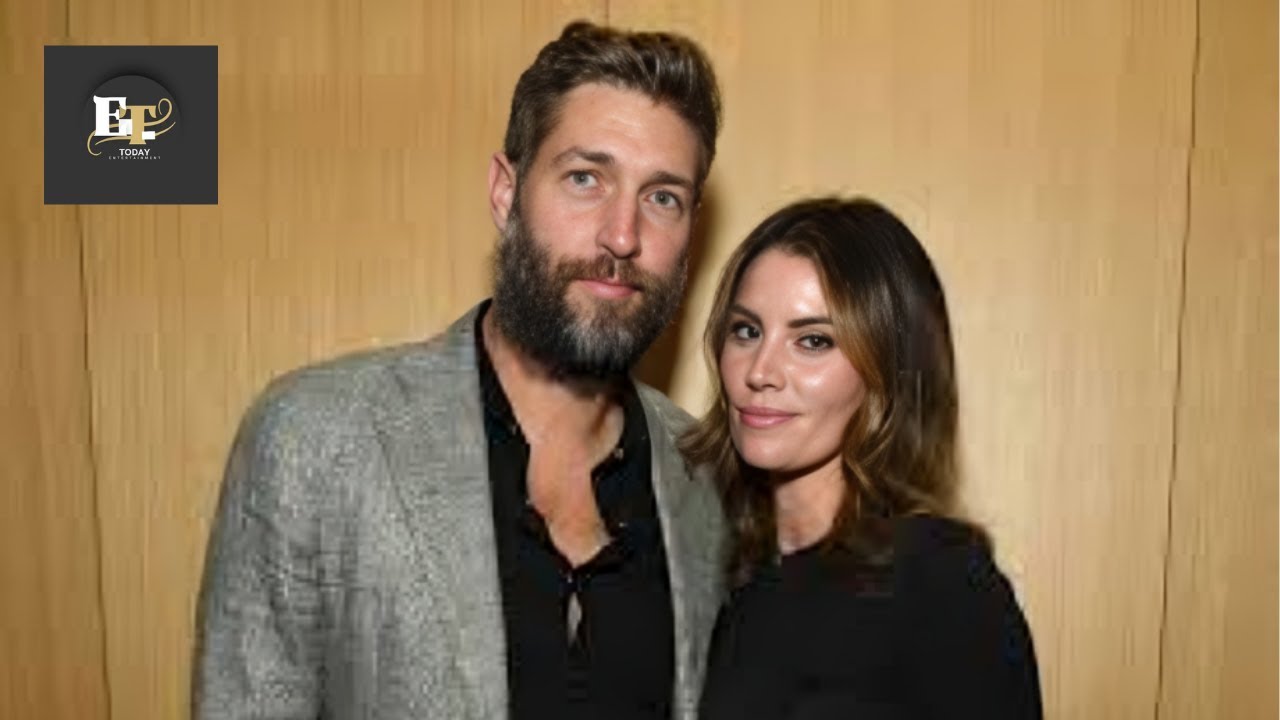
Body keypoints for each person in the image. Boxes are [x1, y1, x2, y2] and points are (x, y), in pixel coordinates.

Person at [193, 21, 725, 720]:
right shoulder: (315, 439)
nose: (622, 235)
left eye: (662, 197)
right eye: (584, 178)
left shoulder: (708, 481)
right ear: (506, 193)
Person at [686, 198, 1042, 719]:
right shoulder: (724, 583)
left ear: (885, 371)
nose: (760, 371)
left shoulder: (940, 582)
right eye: (747, 331)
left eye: (812, 341)